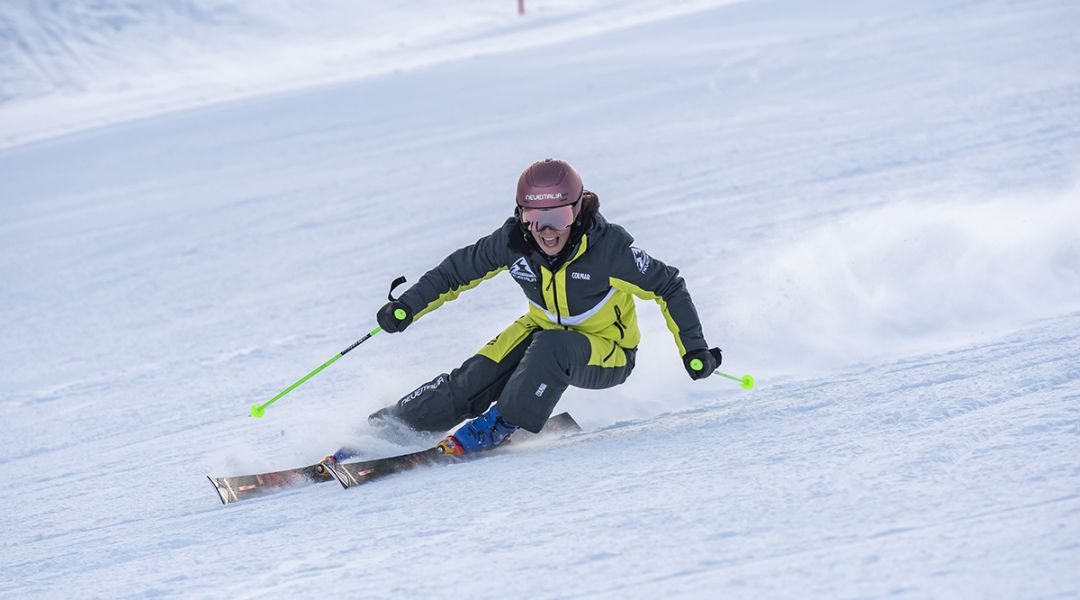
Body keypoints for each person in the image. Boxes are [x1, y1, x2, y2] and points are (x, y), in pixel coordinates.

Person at [366, 158, 720, 456]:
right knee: (474, 377)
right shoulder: (513, 242)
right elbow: (455, 272)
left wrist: (695, 351)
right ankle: (400, 423)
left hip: (608, 351)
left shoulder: (608, 250)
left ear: (578, 209)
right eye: (535, 219)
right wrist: (407, 306)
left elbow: (668, 286)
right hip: (541, 330)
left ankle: (499, 424)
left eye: (559, 218)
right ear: (521, 214)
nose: (547, 232)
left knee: (554, 347)